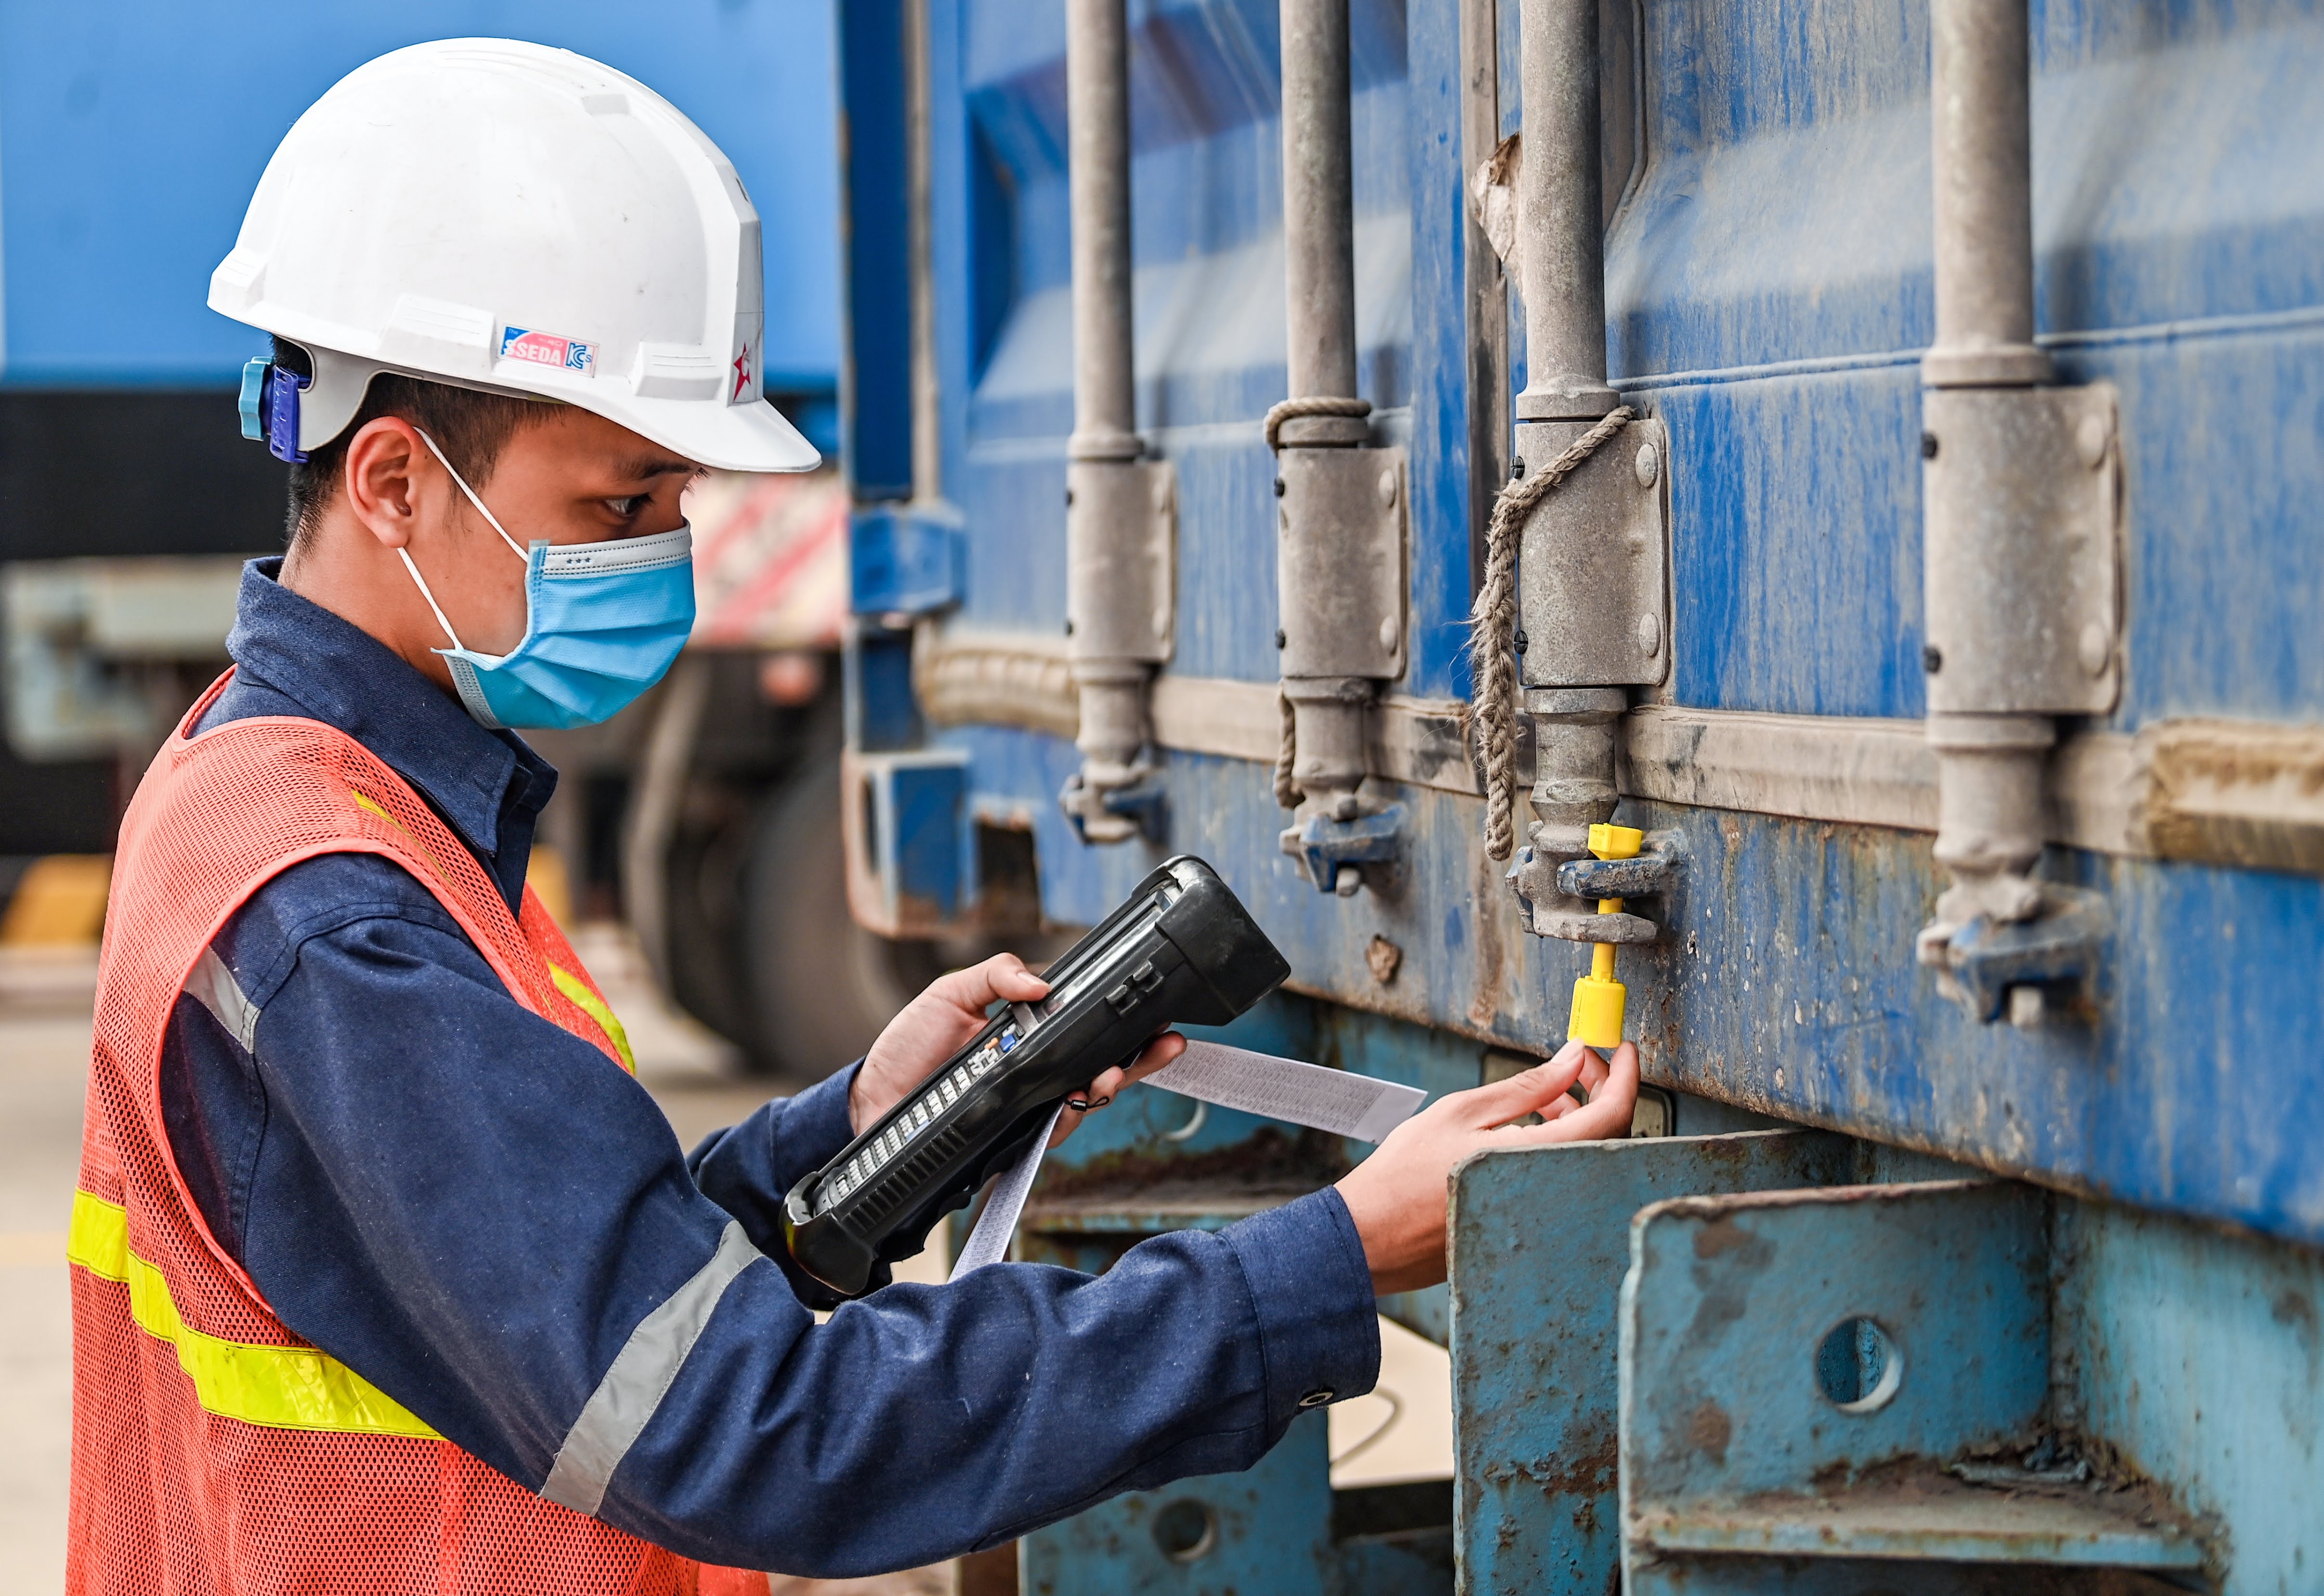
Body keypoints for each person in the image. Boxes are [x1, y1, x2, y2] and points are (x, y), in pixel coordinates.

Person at [66, 39, 1640, 1595]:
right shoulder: (329, 914)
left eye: (677, 499)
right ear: (395, 481)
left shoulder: (288, 786)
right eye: (617, 505)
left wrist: (860, 1130)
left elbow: (523, 1286)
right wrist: (1325, 1257)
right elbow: (745, 1431)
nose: (665, 551)